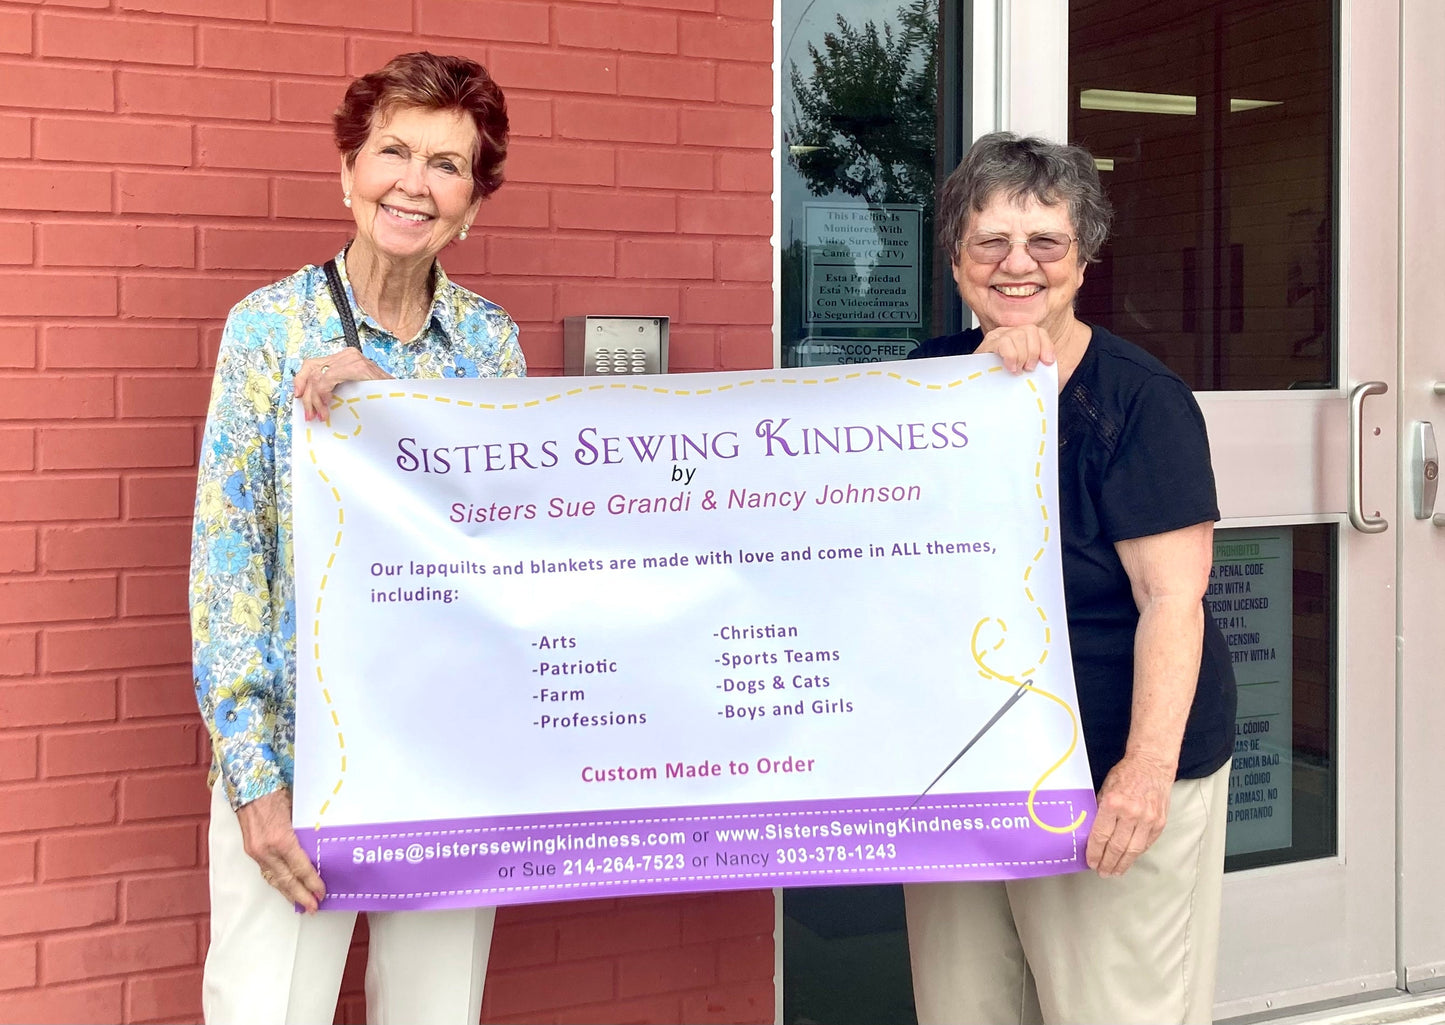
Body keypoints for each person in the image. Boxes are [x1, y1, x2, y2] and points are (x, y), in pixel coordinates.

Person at [189, 52, 524, 1024]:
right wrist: (254, 777)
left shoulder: (488, 345)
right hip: (301, 748)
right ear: (347, 173)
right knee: (267, 1007)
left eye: (448, 165)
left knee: (435, 1010)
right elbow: (228, 562)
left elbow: (506, 544)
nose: (414, 183)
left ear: (472, 205)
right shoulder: (269, 329)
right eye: (393, 151)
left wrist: (402, 410)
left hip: (445, 743)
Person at [902, 132, 1237, 1024]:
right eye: (990, 243)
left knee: (1111, 1008)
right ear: (956, 259)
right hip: (961, 766)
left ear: (1082, 259)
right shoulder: (924, 382)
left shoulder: (1139, 402)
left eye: (1045, 242)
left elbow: (1173, 597)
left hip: (1101, 766)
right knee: (965, 1004)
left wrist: (1143, 771)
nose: (1019, 264)